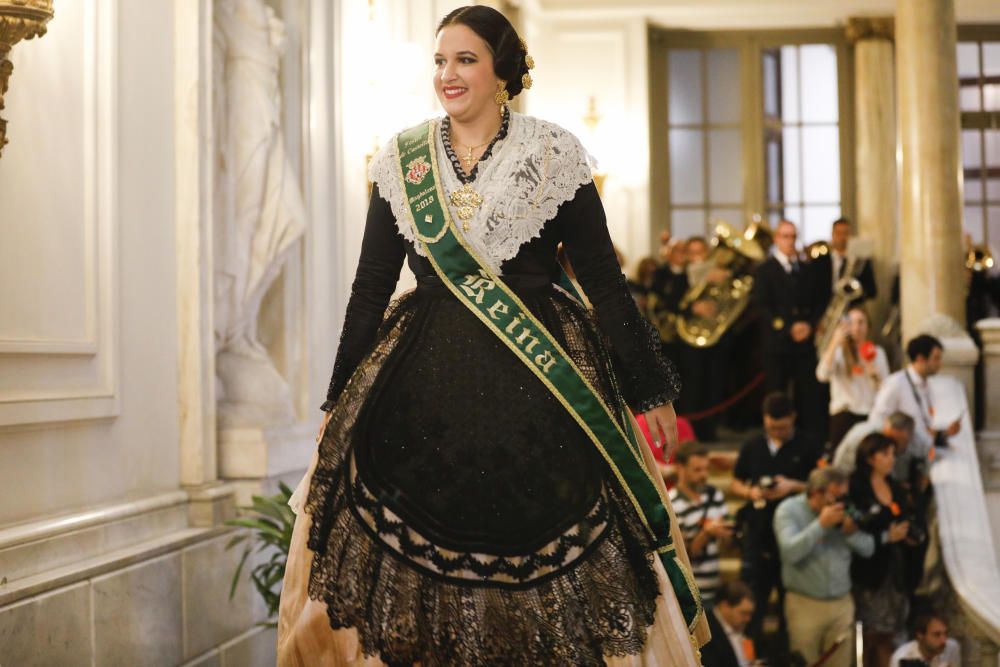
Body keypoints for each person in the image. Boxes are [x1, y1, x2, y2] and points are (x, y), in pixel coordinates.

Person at [276, 7, 706, 665]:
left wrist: (649, 389)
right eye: (441, 61)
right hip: (421, 388)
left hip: (542, 390)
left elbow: (605, 282)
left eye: (466, 60)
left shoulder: (555, 154)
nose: (448, 75)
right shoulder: (402, 160)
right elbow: (369, 289)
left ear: (503, 70)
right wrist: (339, 400)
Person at [730, 391, 823, 648]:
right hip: (758, 535)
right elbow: (736, 482)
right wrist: (752, 492)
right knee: (753, 608)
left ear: (793, 418)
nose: (777, 432)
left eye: (782, 428)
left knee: (789, 611)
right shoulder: (752, 444)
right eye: (772, 427)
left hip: (794, 537)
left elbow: (822, 486)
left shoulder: (808, 444)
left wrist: (793, 486)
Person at [774, 467, 875, 667]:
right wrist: (820, 525)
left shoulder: (845, 510)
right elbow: (790, 552)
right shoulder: (788, 510)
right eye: (836, 496)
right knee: (804, 662)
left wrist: (851, 533)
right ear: (816, 493)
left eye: (843, 496)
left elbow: (869, 548)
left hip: (841, 604)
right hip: (805, 604)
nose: (841, 502)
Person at [849, 433, 927, 667]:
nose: (892, 459)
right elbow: (855, 526)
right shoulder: (856, 487)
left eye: (893, 454)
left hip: (895, 568)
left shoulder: (895, 487)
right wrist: (886, 536)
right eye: (885, 454)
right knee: (870, 634)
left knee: (889, 635)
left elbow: (905, 516)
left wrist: (908, 535)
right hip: (867, 570)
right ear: (870, 458)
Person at [752, 220, 824, 436]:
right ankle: (775, 434)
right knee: (777, 391)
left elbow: (818, 301)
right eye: (785, 236)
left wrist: (809, 325)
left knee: (806, 393)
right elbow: (762, 305)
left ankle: (805, 437)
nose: (790, 241)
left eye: (793, 236)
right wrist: (788, 328)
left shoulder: (807, 269)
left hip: (804, 343)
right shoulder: (765, 270)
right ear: (776, 239)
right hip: (778, 344)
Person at [869, 334, 962, 463]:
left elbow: (922, 428)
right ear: (920, 359)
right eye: (936, 359)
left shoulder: (926, 385)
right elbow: (876, 421)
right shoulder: (896, 383)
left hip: (920, 458)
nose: (940, 364)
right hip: (898, 459)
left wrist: (945, 433)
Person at [816, 306, 890, 450]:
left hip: (869, 415)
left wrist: (875, 376)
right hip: (844, 414)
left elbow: (886, 390)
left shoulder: (877, 353)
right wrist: (834, 342)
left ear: (868, 326)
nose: (856, 327)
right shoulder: (838, 352)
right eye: (852, 323)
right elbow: (822, 375)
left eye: (861, 322)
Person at [668, 442, 731, 605]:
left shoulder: (714, 494)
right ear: (680, 468)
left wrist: (727, 535)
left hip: (713, 587)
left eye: (706, 469)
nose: (704, 475)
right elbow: (680, 554)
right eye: (697, 470)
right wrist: (706, 533)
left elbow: (727, 544)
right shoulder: (671, 502)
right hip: (687, 593)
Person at [811, 218, 877, 317]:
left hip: (851, 312)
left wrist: (853, 292)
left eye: (845, 233)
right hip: (825, 314)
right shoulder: (819, 262)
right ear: (832, 234)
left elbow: (872, 291)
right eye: (838, 233)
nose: (842, 237)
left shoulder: (861, 261)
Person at [833, 411, 918, 484]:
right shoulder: (861, 436)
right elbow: (841, 466)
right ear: (886, 430)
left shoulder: (914, 443)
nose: (894, 446)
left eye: (903, 441)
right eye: (893, 439)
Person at [701, 581, 757, 667]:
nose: (748, 619)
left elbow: (751, 658)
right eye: (743, 613)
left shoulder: (745, 625)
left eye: (750, 614)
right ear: (725, 606)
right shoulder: (706, 631)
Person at [889, 613, 961, 667]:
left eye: (945, 633)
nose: (944, 640)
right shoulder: (902, 657)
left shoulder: (952, 647)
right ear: (920, 635)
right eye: (937, 635)